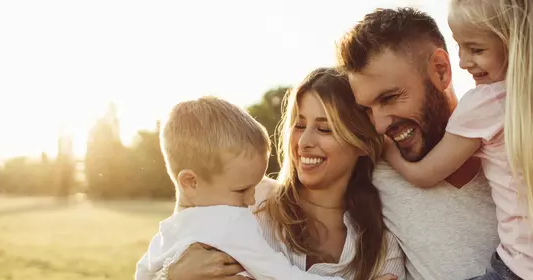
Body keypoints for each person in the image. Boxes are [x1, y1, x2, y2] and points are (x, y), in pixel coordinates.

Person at [336, 7, 533, 280]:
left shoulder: (526, 131)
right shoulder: (377, 175)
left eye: (390, 97)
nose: (379, 125)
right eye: (367, 109)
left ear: (441, 70)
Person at [154, 68, 405, 280]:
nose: (304, 141)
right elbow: (168, 252)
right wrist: (170, 276)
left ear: (360, 142)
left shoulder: (379, 245)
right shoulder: (245, 196)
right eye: (299, 125)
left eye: (324, 129)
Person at [134, 97, 345, 280]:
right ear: (191, 182)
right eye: (242, 190)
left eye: (254, 186)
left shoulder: (167, 233)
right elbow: (280, 274)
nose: (251, 200)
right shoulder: (230, 221)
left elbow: (142, 274)